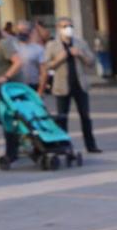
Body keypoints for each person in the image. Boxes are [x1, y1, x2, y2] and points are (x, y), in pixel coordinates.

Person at [41, 17, 100, 154]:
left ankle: (91, 145)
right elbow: (46, 65)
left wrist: (80, 55)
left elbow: (91, 62)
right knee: (62, 117)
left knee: (85, 116)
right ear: (58, 29)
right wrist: (59, 59)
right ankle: (63, 145)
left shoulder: (79, 43)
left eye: (70, 25)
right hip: (62, 86)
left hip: (80, 85)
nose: (68, 28)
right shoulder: (52, 45)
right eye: (64, 26)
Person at [0, 22, 25, 168]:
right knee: (1, 118)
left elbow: (18, 62)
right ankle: (19, 141)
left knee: (8, 120)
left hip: (8, 90)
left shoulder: (3, 44)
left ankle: (11, 153)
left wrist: (6, 76)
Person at [13, 22, 44, 91]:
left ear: (30, 32)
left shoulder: (38, 48)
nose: (21, 32)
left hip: (33, 85)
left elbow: (43, 71)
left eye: (24, 30)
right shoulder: (11, 47)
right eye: (19, 30)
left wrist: (40, 91)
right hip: (15, 86)